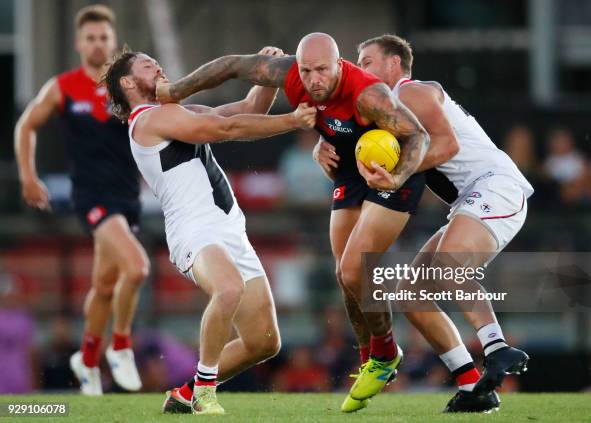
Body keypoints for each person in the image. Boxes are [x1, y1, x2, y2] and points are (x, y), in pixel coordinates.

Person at [155, 32, 432, 410]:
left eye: (322, 70)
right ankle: (371, 356)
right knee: (343, 275)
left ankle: (385, 356)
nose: (314, 79)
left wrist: (396, 177)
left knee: (354, 270)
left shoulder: (369, 94)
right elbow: (234, 64)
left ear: (338, 64)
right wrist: (176, 91)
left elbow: (419, 136)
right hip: (350, 169)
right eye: (306, 71)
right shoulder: (289, 74)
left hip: (391, 170)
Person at [318, 34, 534, 411]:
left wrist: (398, 174)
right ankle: (472, 387)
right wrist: (326, 143)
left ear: (394, 65)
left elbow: (447, 146)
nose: (359, 69)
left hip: (495, 186)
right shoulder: (386, 111)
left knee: (450, 264)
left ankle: (497, 347)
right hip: (472, 198)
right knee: (410, 294)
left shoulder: (411, 92)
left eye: (366, 60)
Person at [104, 46, 316, 414]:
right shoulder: (147, 120)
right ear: (127, 82)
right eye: (146, 64)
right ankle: (204, 392)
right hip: (194, 231)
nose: (157, 65)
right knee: (228, 287)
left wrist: (266, 79)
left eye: (156, 61)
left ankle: (186, 393)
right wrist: (294, 121)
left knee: (264, 342)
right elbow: (224, 129)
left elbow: (248, 112)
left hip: (230, 230)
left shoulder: (177, 113)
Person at [14, 5, 148, 396]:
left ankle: (87, 360)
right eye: (90, 37)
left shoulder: (128, 85)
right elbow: (26, 125)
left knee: (105, 284)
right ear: (79, 43)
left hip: (127, 196)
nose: (97, 44)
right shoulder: (64, 86)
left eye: (103, 37)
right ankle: (120, 346)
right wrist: (27, 175)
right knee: (137, 268)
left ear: (113, 40)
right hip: (91, 196)